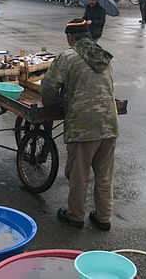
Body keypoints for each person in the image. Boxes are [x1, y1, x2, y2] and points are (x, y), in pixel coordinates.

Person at [41, 18, 119, 231]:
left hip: (83, 125)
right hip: (109, 123)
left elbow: (48, 87)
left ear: (71, 37)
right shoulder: (103, 56)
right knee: (104, 175)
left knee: (79, 173)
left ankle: (74, 215)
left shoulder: (67, 57)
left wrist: (52, 105)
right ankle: (103, 217)